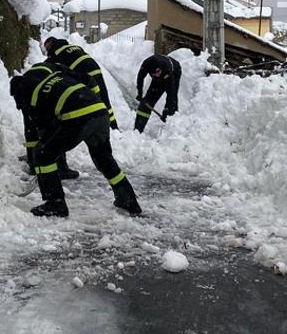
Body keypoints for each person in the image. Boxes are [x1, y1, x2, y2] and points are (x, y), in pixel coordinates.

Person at [10, 64, 142, 218]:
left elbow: (44, 133)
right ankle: (127, 199)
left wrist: (39, 161)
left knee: (43, 153)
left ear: (21, 92)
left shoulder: (34, 97)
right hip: (100, 112)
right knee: (103, 158)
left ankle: (55, 203)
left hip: (79, 117)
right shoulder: (56, 79)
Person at [42, 36, 119, 129]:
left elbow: (47, 66)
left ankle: (93, 123)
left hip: (85, 74)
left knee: (90, 100)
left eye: (47, 48)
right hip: (96, 70)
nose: (47, 51)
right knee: (104, 99)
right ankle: (114, 127)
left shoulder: (56, 52)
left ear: (51, 44)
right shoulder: (74, 47)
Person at [135, 53, 182, 133]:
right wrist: (140, 93)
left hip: (174, 72)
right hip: (160, 77)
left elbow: (171, 92)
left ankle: (172, 128)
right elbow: (140, 78)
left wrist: (167, 108)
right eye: (154, 73)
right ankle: (137, 130)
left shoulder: (166, 68)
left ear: (160, 68)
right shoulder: (146, 64)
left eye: (158, 71)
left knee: (172, 102)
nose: (157, 74)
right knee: (147, 102)